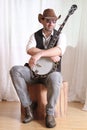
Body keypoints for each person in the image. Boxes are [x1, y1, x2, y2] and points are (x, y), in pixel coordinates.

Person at [10, 8, 67, 128]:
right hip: (34, 73)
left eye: (54, 21)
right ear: (42, 20)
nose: (51, 23)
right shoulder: (34, 35)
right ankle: (29, 107)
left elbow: (60, 50)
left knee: (57, 76)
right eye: (48, 20)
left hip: (50, 75)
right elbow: (29, 49)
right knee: (15, 70)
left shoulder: (61, 35)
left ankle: (50, 113)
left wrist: (40, 54)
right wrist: (50, 53)